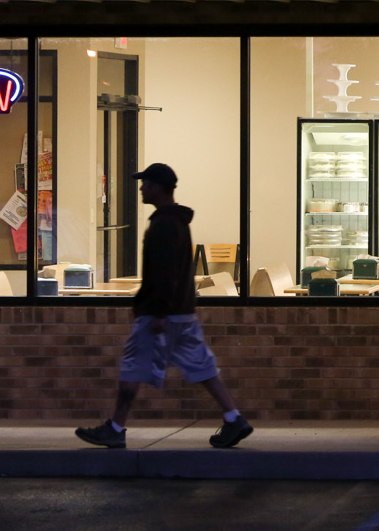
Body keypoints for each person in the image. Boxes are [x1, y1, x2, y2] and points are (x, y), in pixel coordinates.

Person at [75, 163, 253, 449]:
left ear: (159, 187)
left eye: (146, 183)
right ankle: (234, 419)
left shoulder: (163, 225)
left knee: (132, 368)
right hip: (182, 313)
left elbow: (163, 272)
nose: (142, 188)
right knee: (203, 367)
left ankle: (116, 427)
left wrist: (157, 311)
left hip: (161, 314)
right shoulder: (178, 222)